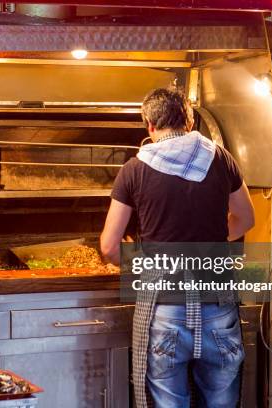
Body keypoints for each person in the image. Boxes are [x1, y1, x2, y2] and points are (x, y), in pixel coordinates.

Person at [100, 88, 255, 408]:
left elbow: (109, 246)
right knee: (221, 402)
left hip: (165, 308)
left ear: (150, 125)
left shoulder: (134, 169)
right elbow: (245, 218)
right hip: (217, 304)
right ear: (188, 120)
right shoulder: (221, 158)